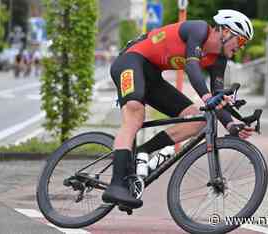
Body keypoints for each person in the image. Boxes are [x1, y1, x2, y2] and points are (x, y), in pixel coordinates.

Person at [103, 9, 255, 209]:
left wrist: (232, 124)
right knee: (134, 115)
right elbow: (192, 68)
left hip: (152, 77)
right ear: (226, 32)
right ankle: (115, 185)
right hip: (131, 61)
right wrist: (207, 97)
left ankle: (142, 152)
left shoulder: (219, 60)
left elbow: (216, 100)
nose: (240, 48)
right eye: (241, 41)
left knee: (197, 121)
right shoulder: (199, 29)